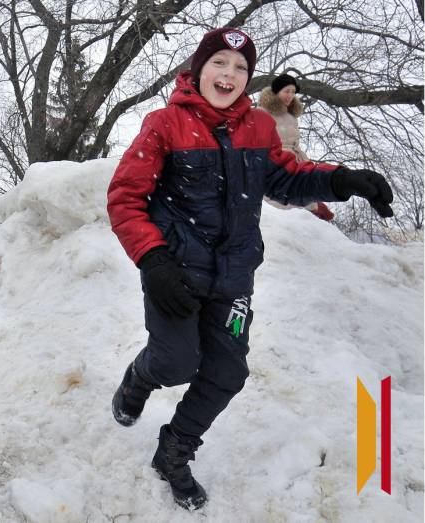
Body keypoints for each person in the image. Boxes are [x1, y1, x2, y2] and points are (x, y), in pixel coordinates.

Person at [106, 28, 393, 511]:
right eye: (220, 62)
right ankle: (140, 376)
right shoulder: (164, 125)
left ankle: (174, 449)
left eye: (240, 68)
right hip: (173, 272)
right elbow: (125, 198)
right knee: (176, 362)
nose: (230, 74)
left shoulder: (259, 127)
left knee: (227, 372)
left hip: (234, 277)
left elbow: (285, 176)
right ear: (199, 69)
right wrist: (152, 260)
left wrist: (343, 180)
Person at [258, 73, 334, 221]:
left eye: (293, 92)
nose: (290, 95)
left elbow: (295, 145)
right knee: (282, 206)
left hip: (294, 160)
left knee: (305, 200)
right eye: (287, 91)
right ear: (276, 91)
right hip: (274, 163)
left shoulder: (291, 116)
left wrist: (306, 163)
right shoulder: (261, 113)